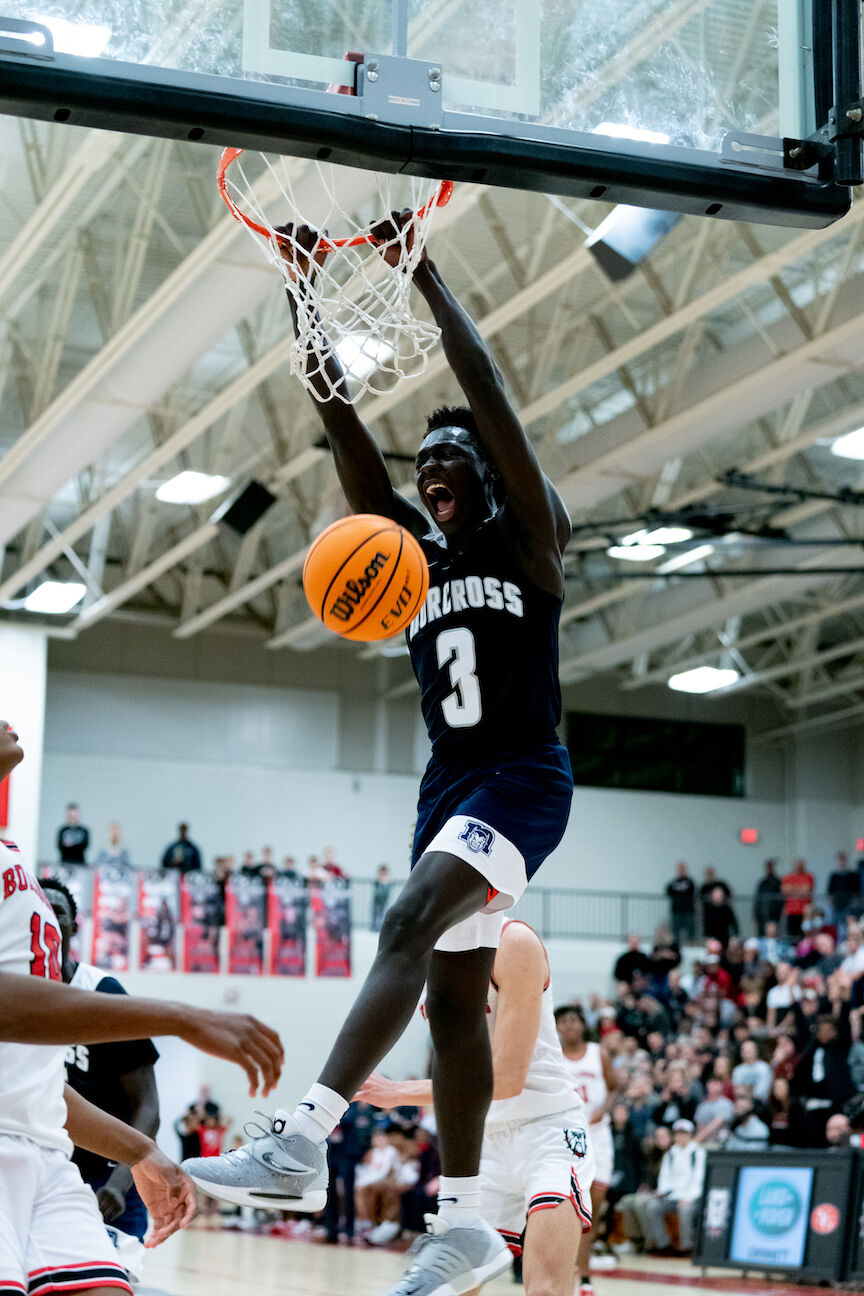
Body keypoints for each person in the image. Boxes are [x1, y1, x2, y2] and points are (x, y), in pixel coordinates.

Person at [182, 218, 574, 1296]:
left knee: (404, 925)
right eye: (426, 466)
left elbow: (486, 391)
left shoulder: (532, 544)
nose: (434, 472)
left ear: (489, 481)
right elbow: (337, 415)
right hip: (448, 785)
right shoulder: (401, 558)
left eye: (453, 463)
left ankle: (304, 1135)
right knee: (451, 1005)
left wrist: (424, 271)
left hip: (525, 777)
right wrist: (305, 288)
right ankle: (462, 1224)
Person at [0, 719, 283, 1296]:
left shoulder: (13, 857)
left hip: (45, 1156)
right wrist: (183, 1015)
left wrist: (141, 1151)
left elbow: (28, 1077)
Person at [356, 919, 595, 1296]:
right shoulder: (425, 954)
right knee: (457, 1287)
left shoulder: (513, 941)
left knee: (545, 1289)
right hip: (483, 1137)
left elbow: (503, 1080)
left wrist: (396, 1091)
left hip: (547, 1129)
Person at [42, 877, 159, 1267]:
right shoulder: (16, 997)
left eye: (58, 912)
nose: (48, 918)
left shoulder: (103, 993)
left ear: (74, 925)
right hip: (41, 1174)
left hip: (107, 1183)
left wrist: (119, 1183)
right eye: (40, 910)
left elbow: (147, 1108)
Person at [555, 1003, 615, 1292]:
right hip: (568, 1136)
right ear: (554, 1027)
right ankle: (571, 1272)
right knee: (568, 1208)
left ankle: (585, 1271)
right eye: (562, 1021)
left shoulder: (597, 1053)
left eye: (573, 1020)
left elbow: (615, 1087)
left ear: (583, 1025)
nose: (568, 1025)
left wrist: (605, 1108)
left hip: (599, 1135)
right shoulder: (552, 1057)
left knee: (595, 1207)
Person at [638, 1120, 705, 1254]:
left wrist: (688, 1197)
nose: (681, 1137)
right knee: (652, 1206)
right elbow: (665, 1176)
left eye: (684, 1133)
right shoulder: (671, 1153)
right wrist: (662, 1191)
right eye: (678, 1133)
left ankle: (686, 1247)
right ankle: (662, 1244)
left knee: (685, 1209)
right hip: (673, 1196)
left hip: (692, 1197)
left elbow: (699, 1178)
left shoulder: (697, 1152)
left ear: (690, 1135)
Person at [782, 860, 814, 940]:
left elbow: (807, 889)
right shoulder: (788, 877)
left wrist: (792, 890)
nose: (799, 867)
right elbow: (785, 890)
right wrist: (800, 889)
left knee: (804, 934)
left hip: (804, 911)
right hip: (791, 910)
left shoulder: (808, 876)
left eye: (801, 865)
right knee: (791, 935)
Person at [828, 852, 860, 929]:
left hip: (849, 904)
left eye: (843, 859)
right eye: (840, 859)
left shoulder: (852, 875)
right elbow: (830, 891)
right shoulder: (834, 875)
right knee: (837, 925)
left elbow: (856, 891)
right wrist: (832, 903)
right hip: (837, 904)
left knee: (849, 923)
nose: (841, 861)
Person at [666, 863, 696, 946]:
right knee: (676, 932)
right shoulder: (673, 882)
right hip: (676, 910)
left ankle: (691, 944)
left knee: (690, 930)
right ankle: (676, 946)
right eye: (680, 869)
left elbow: (693, 891)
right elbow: (668, 891)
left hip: (688, 910)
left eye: (683, 869)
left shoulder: (690, 881)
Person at [753, 860, 783, 936]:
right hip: (762, 914)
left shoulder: (777, 882)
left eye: (771, 867)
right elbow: (758, 899)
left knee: (773, 934)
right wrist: (756, 914)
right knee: (762, 934)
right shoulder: (762, 882)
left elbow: (781, 899)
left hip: (774, 913)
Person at [371, 863, 393, 933]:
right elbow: (375, 888)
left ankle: (380, 929)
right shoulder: (377, 880)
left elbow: (386, 891)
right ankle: (374, 928)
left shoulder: (387, 881)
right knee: (375, 914)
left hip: (383, 900)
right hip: (376, 900)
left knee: (381, 915)